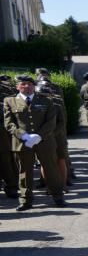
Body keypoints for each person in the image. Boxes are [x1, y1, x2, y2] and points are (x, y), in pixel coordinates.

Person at [3, 75, 66, 210]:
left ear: (34, 86)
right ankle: (26, 200)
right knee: (25, 172)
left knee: (51, 170)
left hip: (44, 141)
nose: (27, 86)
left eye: (30, 84)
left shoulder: (45, 101)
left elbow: (51, 122)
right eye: (23, 84)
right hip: (22, 142)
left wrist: (38, 135)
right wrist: (24, 135)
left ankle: (58, 196)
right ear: (17, 86)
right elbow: (9, 123)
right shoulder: (10, 101)